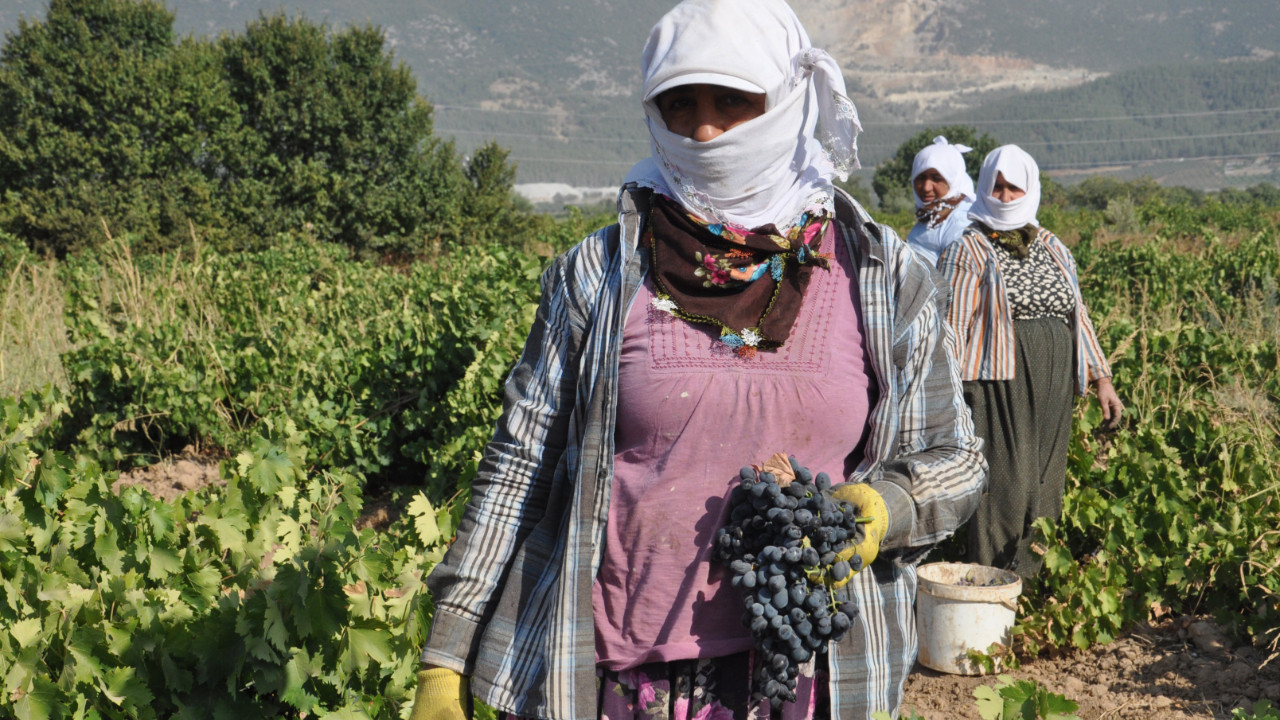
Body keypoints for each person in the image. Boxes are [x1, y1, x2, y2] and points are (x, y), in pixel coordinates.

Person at [411, 2, 986, 719]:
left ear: (787, 102)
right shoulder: (599, 271)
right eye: (679, 105)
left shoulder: (879, 273)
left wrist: (887, 507)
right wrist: (446, 654)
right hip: (625, 679)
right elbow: (518, 466)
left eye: (733, 102)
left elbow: (956, 457)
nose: (704, 130)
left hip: (811, 674)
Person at [938, 144, 1123, 580]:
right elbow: (949, 327)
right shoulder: (968, 248)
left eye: (1012, 187)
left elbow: (1077, 315)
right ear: (983, 189)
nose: (1003, 196)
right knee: (1006, 490)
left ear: (1029, 190)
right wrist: (947, 394)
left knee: (1045, 489)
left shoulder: (1053, 246)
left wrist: (1101, 379)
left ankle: (1029, 591)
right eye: (996, 187)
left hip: (1056, 382)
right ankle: (988, 585)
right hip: (998, 384)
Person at [905, 136, 976, 267]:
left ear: (953, 179)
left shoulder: (961, 220)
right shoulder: (932, 215)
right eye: (920, 178)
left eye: (936, 178)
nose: (926, 187)